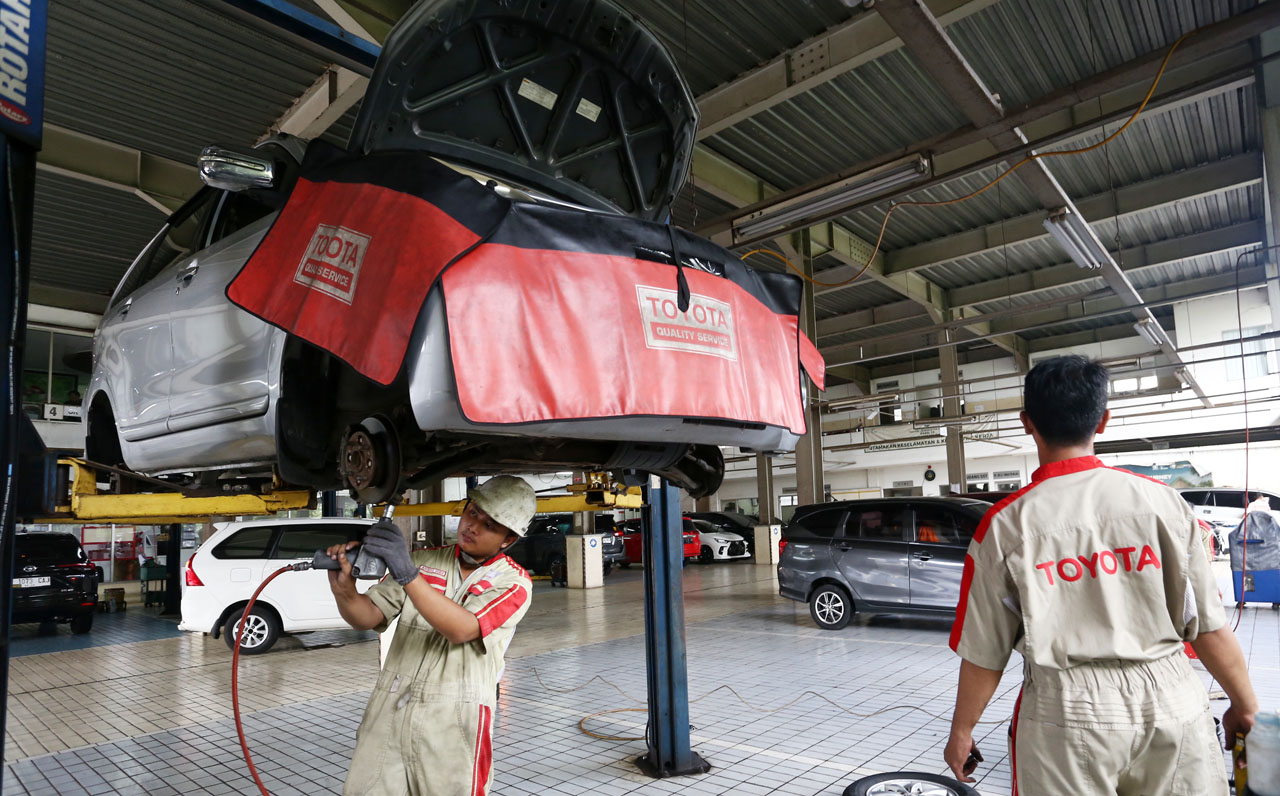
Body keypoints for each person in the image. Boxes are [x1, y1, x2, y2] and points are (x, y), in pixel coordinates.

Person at [945, 355, 1257, 795]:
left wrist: (962, 731)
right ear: (1103, 420)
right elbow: (1207, 626)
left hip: (1066, 717)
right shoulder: (1164, 505)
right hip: (1173, 700)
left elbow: (984, 651)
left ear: (1027, 423)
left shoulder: (1006, 525)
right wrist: (1245, 706)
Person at [325, 475, 536, 796]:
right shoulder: (425, 561)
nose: (473, 526)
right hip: (391, 707)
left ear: (507, 540)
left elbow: (462, 628)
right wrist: (345, 592)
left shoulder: (513, 583)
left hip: (455, 720)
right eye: (474, 512)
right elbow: (368, 616)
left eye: (491, 525)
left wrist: (407, 572)